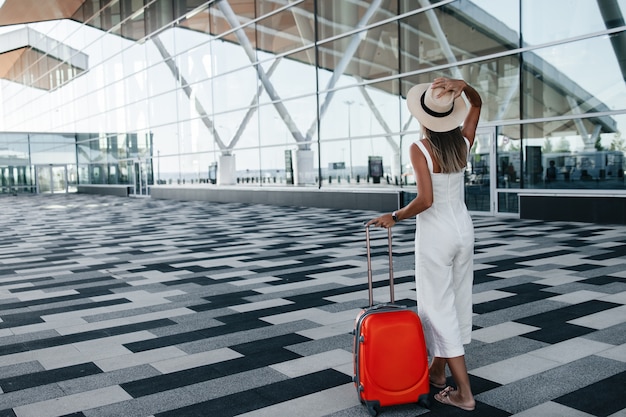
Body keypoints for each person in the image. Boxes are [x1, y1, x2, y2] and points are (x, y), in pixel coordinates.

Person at [367, 77, 482, 411]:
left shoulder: (419, 148)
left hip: (436, 236)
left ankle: (464, 392)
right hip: (463, 231)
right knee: (458, 300)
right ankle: (437, 372)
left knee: (436, 307)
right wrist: (464, 85)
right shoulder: (462, 142)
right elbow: (476, 105)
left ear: (424, 116)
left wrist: (395, 216)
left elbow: (425, 199)